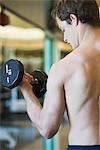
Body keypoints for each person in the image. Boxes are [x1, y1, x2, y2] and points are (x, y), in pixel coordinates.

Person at [19, 0, 100, 149]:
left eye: (63, 29)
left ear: (74, 19)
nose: (65, 38)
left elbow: (46, 128)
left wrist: (25, 88)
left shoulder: (64, 68)